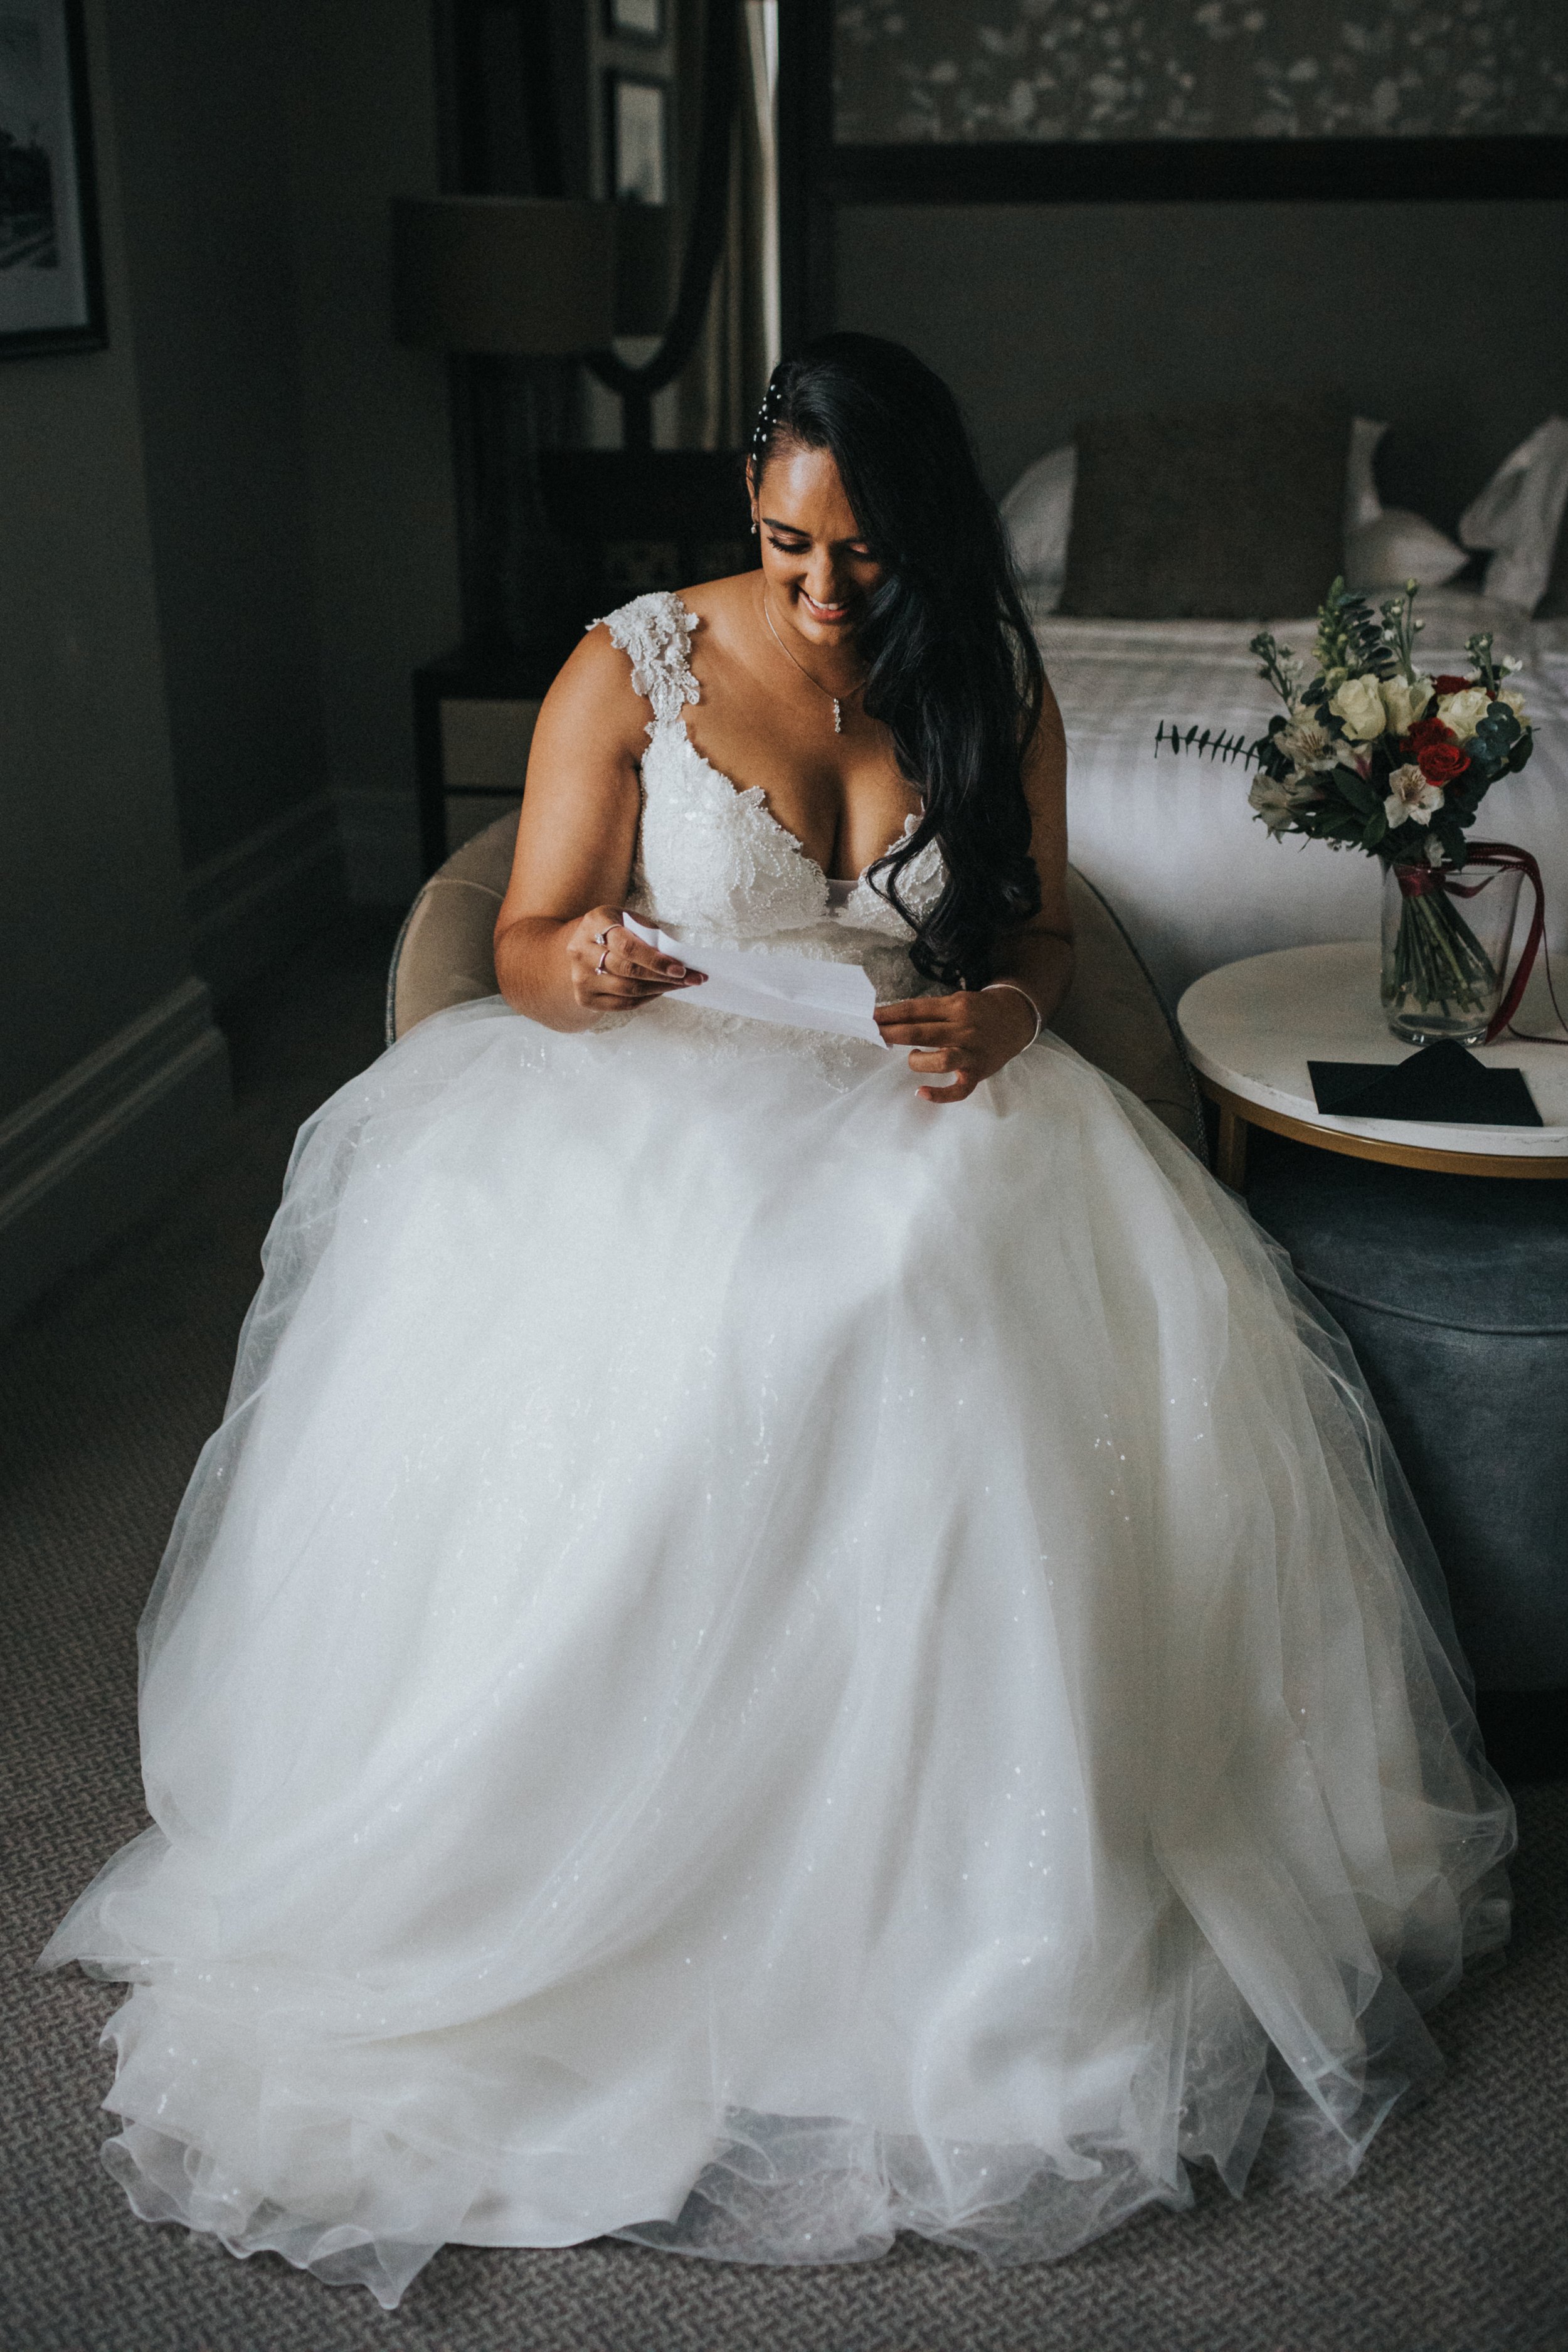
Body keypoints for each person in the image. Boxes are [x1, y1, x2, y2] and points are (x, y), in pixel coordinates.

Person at [44, 335, 1512, 2310]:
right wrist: (584, 962)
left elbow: (1038, 929)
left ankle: (956, 1890)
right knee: (745, 1334)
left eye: (864, 556)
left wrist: (998, 1007)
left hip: (917, 1097)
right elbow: (519, 946)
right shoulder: (629, 660)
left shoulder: (991, 673)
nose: (819, 592)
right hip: (659, 1091)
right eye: (781, 544)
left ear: (932, 540)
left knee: (947, 1307)